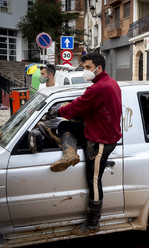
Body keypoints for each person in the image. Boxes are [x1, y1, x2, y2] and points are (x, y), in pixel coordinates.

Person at [46, 52, 122, 236]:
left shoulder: (97, 88)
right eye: (84, 67)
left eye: (88, 68)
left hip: (100, 141)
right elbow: (91, 107)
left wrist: (57, 111)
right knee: (65, 125)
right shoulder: (110, 83)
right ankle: (70, 152)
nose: (85, 71)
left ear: (99, 68)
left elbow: (76, 107)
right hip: (95, 131)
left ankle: (92, 223)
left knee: (94, 182)